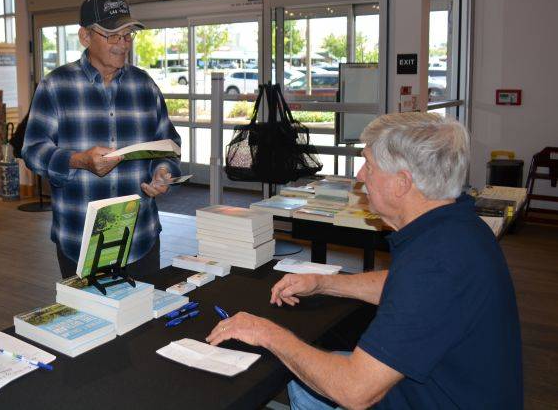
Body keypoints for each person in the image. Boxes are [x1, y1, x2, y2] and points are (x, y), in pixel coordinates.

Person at [206, 112, 523, 409]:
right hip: (447, 387)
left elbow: (355, 390)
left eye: (369, 166)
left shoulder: (435, 264)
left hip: (433, 399)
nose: (360, 176)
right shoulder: (457, 225)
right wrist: (323, 283)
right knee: (306, 382)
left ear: (402, 183)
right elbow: (404, 286)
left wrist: (265, 332)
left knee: (305, 378)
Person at [22, 0, 182, 279]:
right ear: (85, 37)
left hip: (139, 238)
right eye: (112, 35)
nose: (123, 44)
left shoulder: (145, 87)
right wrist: (79, 161)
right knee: (90, 321)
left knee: (146, 323)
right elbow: (33, 150)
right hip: (79, 239)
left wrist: (162, 171)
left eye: (128, 35)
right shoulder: (55, 86)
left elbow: (168, 145)